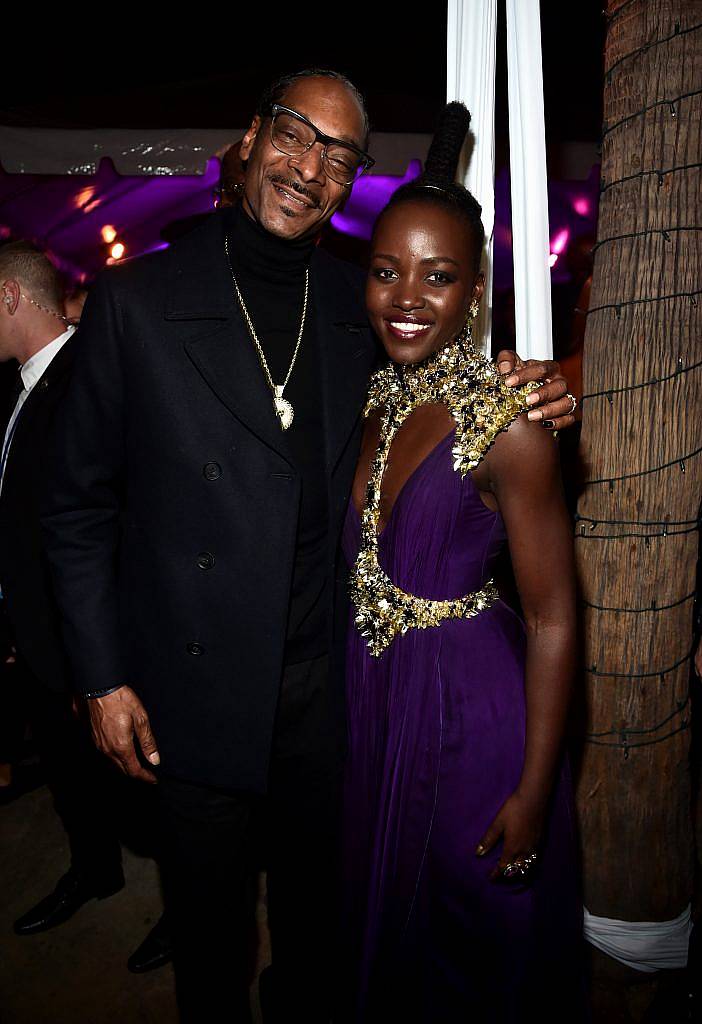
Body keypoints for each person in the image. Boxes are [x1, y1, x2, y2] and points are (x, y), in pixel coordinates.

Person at [41, 70, 575, 1021]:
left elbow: (444, 374)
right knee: (211, 944)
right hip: (190, 697)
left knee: (322, 932)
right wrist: (102, 678)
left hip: (334, 695)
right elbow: (75, 506)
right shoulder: (135, 303)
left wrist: (538, 381)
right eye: (295, 136)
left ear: (350, 181)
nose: (310, 167)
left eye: (339, 155)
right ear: (252, 138)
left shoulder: (354, 303)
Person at [341, 103, 584, 1022]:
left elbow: (557, 617)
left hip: (470, 715)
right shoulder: (368, 392)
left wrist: (535, 787)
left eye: (437, 277)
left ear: (475, 288)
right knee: (397, 926)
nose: (406, 298)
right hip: (378, 701)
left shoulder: (510, 422)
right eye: (386, 272)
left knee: (474, 939)